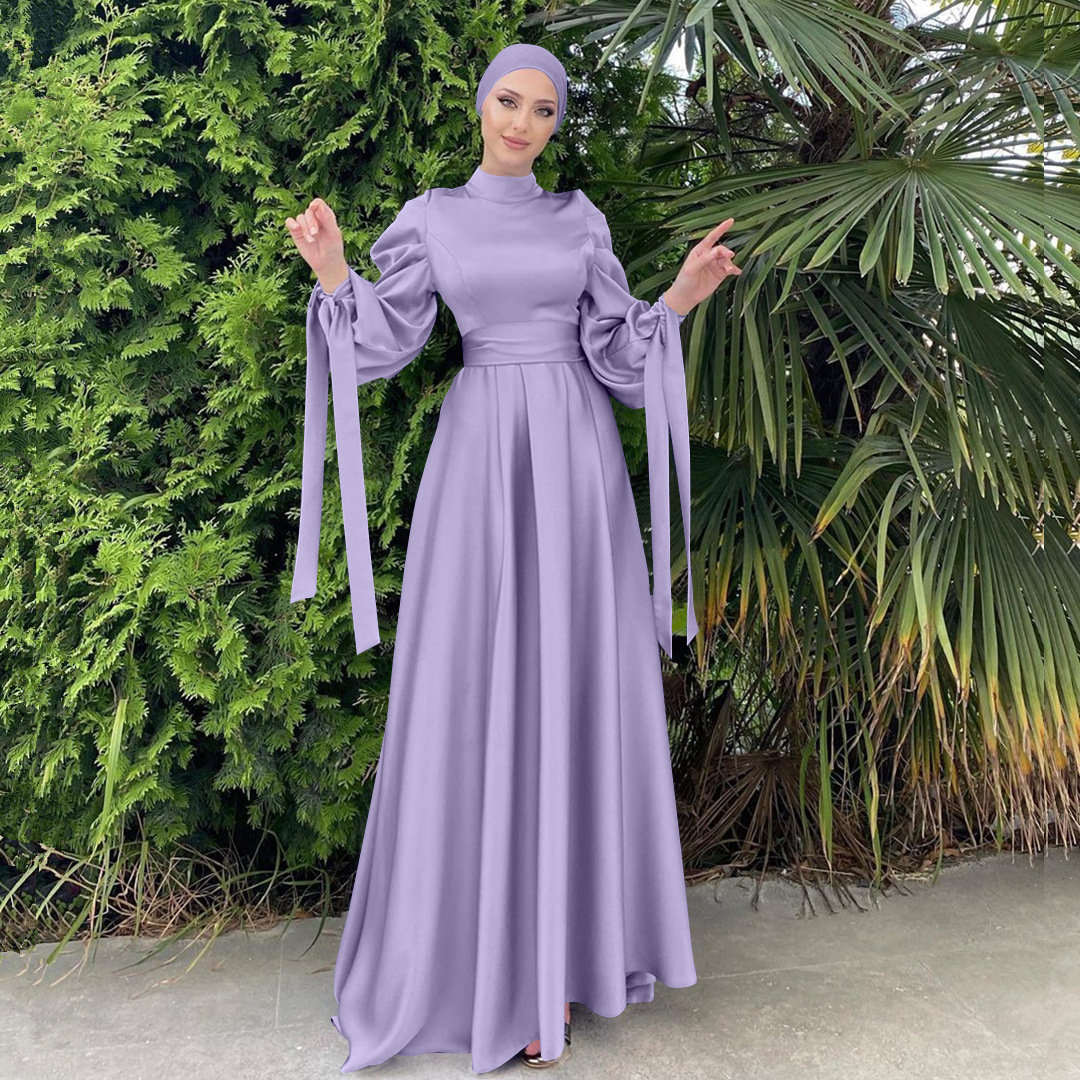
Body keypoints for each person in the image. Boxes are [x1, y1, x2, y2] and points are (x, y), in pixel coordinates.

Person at [284, 41, 740, 1075]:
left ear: (555, 124)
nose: (522, 122)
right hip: (480, 462)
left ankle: (560, 968)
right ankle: (487, 969)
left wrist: (680, 294)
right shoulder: (434, 219)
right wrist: (334, 271)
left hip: (577, 468)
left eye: (542, 109)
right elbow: (382, 341)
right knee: (474, 691)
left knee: (573, 692)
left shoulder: (580, 221)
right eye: (508, 100)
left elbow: (620, 356)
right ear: (481, 105)